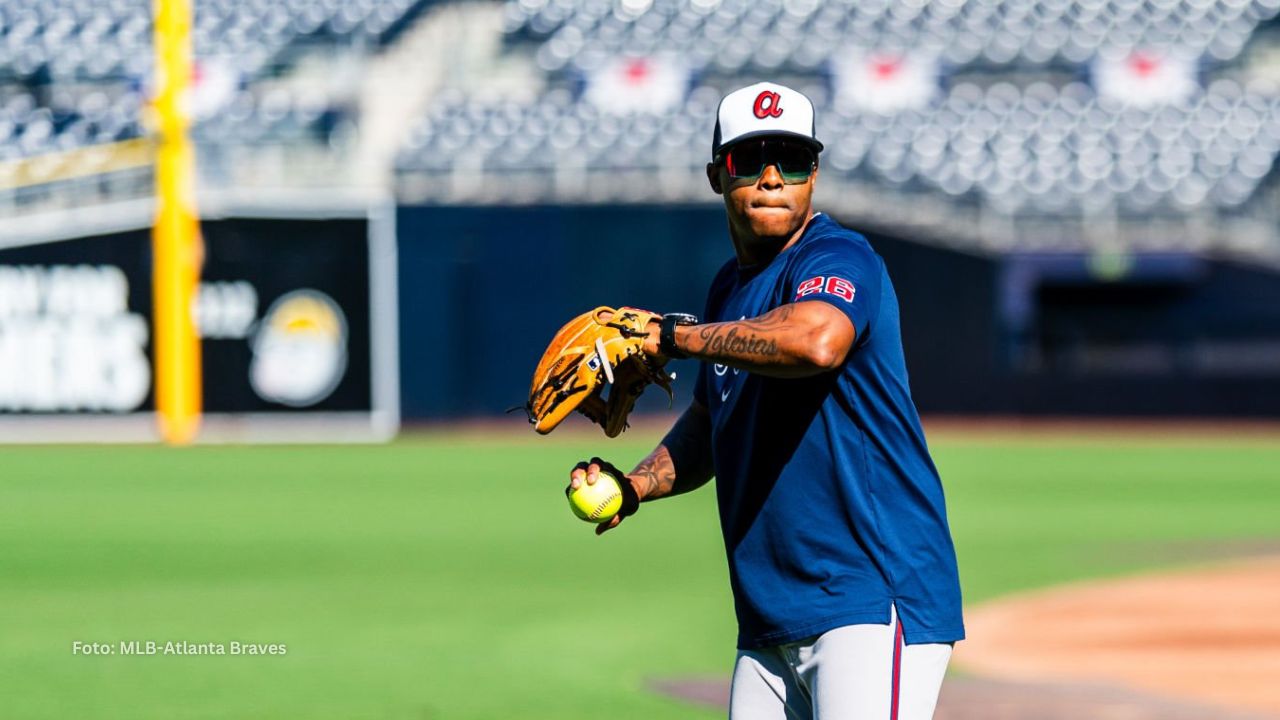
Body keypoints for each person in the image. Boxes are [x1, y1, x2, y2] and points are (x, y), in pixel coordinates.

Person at [567, 82, 965, 720]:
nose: (774, 177)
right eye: (750, 160)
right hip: (769, 617)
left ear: (815, 171)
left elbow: (817, 340)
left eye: (793, 159)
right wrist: (635, 485)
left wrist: (672, 336)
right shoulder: (729, 287)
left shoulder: (837, 256)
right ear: (717, 175)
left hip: (871, 596)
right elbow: (709, 424)